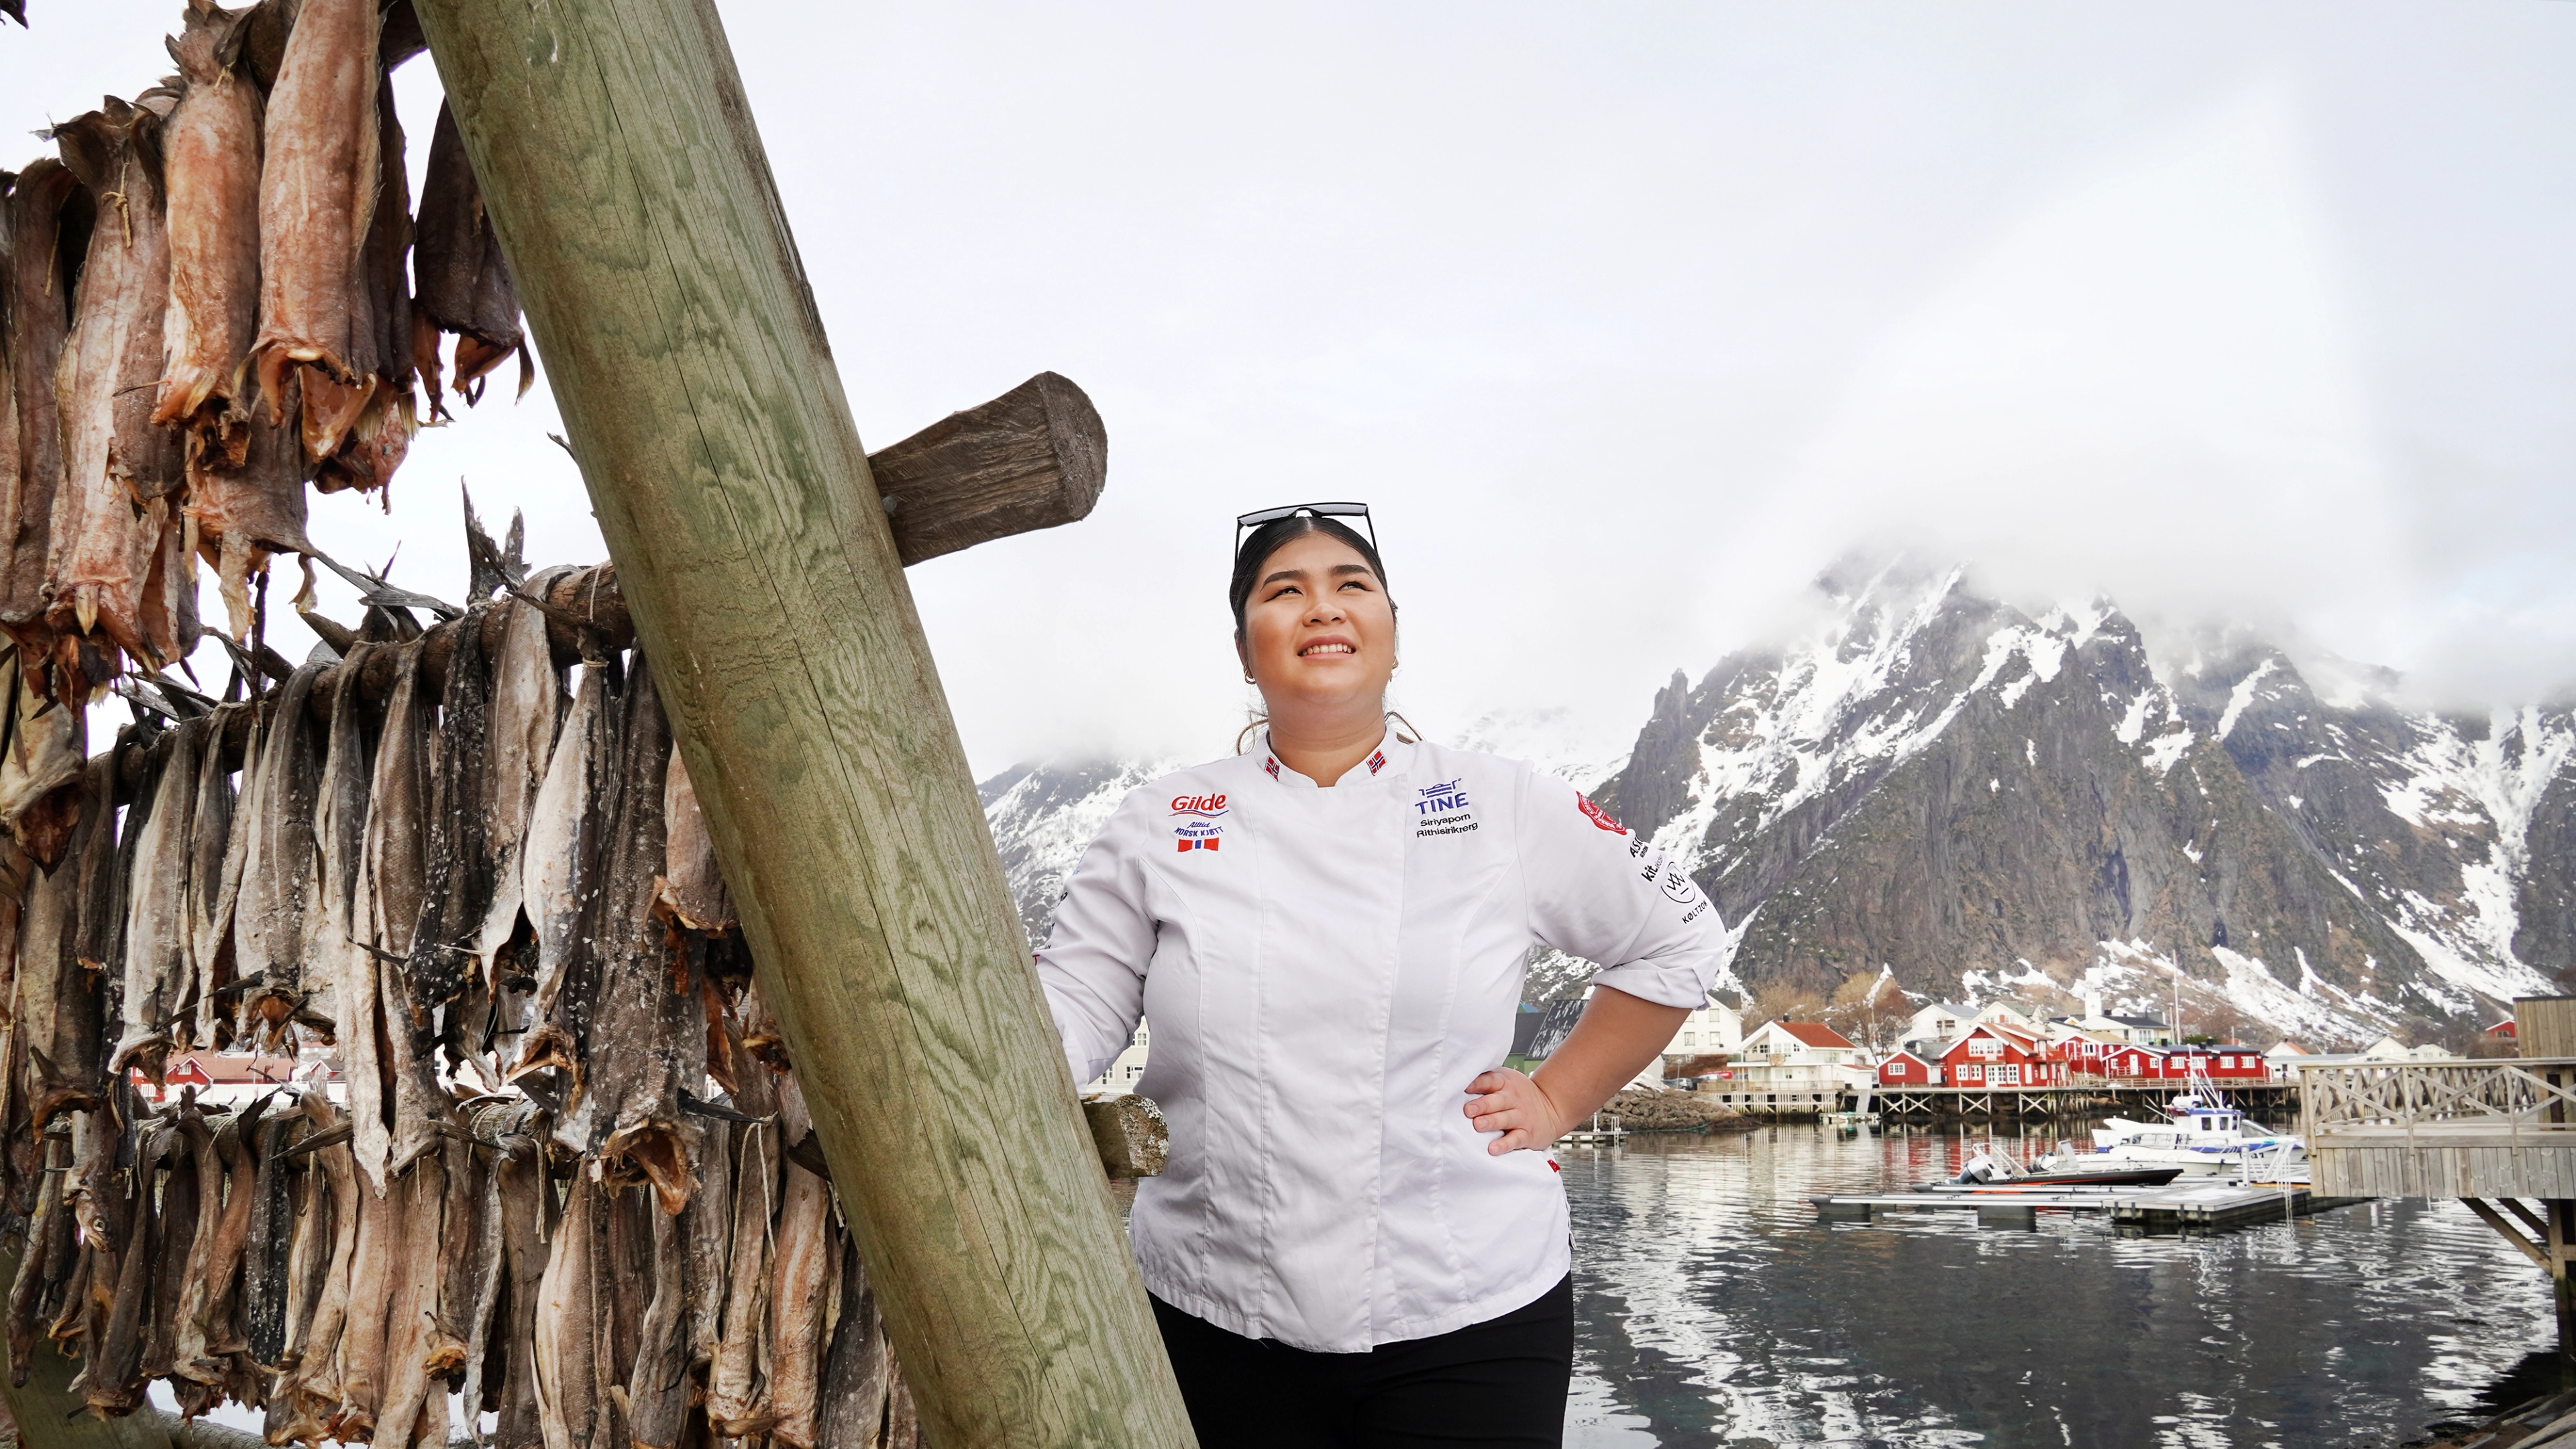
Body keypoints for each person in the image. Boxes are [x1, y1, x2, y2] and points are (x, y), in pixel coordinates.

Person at [1036, 503, 1727, 1448]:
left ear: (1393, 636)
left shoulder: (1501, 802)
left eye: (1350, 585)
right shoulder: (1162, 818)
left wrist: (1560, 1099)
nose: (1322, 607)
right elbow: (1076, 1001)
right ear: (1245, 652)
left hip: (1471, 1310)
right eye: (1285, 591)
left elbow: (1679, 937)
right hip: (1208, 1309)